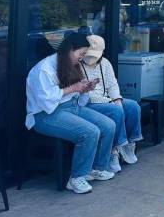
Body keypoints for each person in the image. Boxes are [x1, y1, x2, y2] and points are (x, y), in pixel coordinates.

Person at [25, 32, 116, 194]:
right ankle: (76, 178)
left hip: (71, 107)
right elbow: (46, 101)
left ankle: (97, 168)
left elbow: (75, 97)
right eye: (81, 53)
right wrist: (73, 88)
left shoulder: (70, 64)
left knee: (108, 125)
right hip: (45, 115)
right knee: (90, 132)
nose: (82, 58)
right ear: (70, 49)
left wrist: (84, 89)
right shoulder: (44, 69)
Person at [81, 35, 142, 172]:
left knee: (133, 106)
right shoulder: (77, 65)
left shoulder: (105, 63)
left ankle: (129, 143)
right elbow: (84, 94)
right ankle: (115, 149)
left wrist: (117, 99)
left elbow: (112, 84)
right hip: (89, 102)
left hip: (107, 98)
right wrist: (111, 102)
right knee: (116, 110)